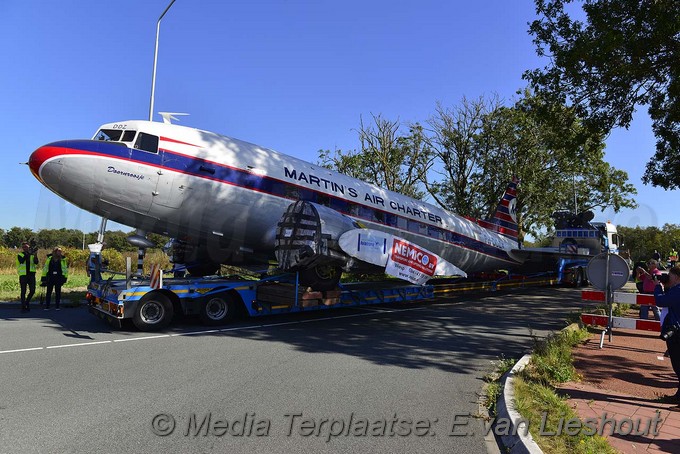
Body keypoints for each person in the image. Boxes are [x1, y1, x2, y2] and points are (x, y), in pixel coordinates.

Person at [654, 265, 680, 402]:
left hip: (676, 333)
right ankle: (678, 396)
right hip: (676, 331)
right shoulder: (675, 290)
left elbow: (660, 301)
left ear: (676, 277)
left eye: (669, 275)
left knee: (678, 365)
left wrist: (658, 286)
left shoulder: (678, 291)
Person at [16, 241, 39, 312]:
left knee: (32, 290)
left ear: (29, 247)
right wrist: (29, 253)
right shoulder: (20, 254)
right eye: (23, 247)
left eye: (26, 247)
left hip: (31, 275)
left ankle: (27, 302)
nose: (25, 248)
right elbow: (22, 261)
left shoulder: (32, 255)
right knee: (23, 291)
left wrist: (35, 254)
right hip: (23, 275)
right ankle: (23, 307)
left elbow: (36, 262)